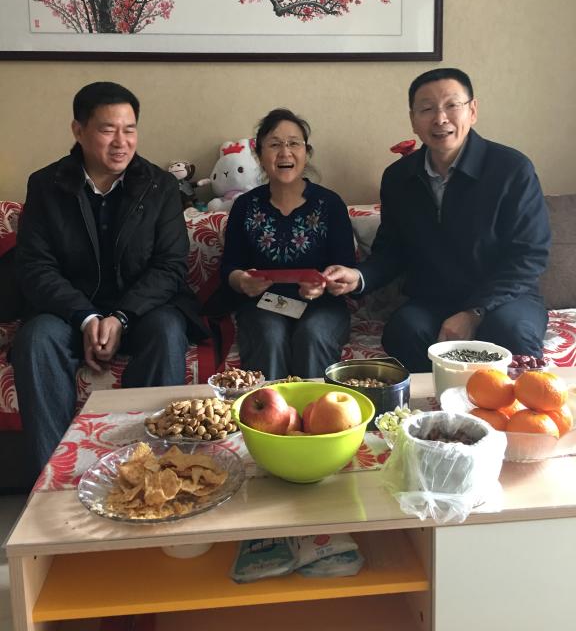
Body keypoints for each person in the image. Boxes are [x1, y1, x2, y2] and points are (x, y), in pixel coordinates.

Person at [12, 81, 208, 479]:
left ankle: (153, 471)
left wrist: (120, 317)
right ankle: (55, 479)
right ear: (78, 130)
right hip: (68, 315)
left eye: (129, 129)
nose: (121, 142)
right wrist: (86, 318)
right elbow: (35, 267)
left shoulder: (159, 186)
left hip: (142, 312)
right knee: (35, 340)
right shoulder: (46, 186)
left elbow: (170, 266)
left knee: (168, 330)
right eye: (107, 130)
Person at [324, 67, 551, 372]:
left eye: (451, 105)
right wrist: (358, 276)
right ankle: (434, 403)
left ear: (472, 111)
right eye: (427, 109)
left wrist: (475, 312)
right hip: (434, 299)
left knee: (511, 332)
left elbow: (530, 255)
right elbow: (391, 251)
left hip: (506, 298)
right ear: (413, 120)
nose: (440, 118)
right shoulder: (398, 178)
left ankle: (505, 404)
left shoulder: (512, 170)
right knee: (404, 331)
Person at [220, 108, 356, 380]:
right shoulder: (245, 206)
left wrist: (325, 284)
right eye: (274, 144)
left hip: (323, 306)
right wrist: (242, 281)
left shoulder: (330, 204)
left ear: (306, 152)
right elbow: (229, 267)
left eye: (294, 143)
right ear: (259, 155)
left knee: (313, 333)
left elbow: (346, 266)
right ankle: (266, 406)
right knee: (269, 335)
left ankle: (318, 406)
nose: (285, 152)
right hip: (262, 305)